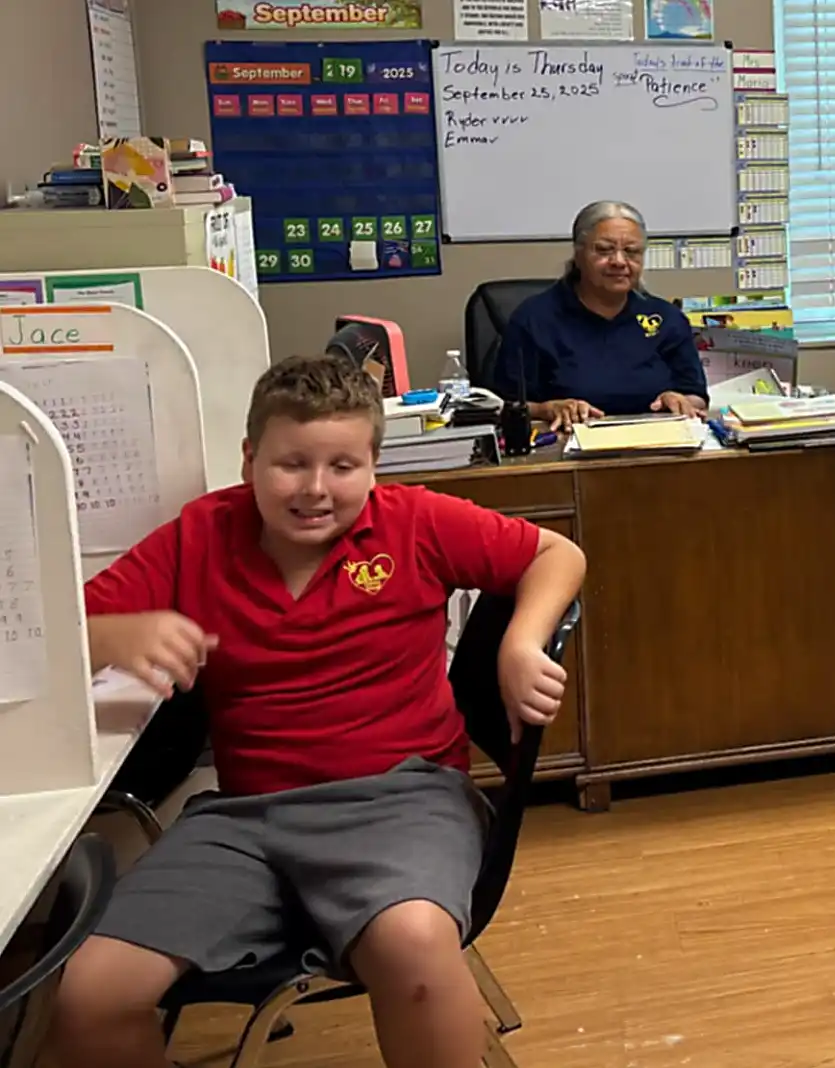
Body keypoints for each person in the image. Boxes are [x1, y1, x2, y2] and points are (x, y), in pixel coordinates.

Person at [49, 354, 587, 1068]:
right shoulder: (200, 535)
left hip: (403, 796)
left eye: (342, 466)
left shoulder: (414, 522)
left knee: (415, 946)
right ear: (249, 461)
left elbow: (556, 553)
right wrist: (113, 634)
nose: (314, 489)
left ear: (373, 466)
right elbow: (52, 635)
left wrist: (520, 642)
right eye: (290, 464)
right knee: (90, 993)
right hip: (249, 817)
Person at [493, 200, 709, 431]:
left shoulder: (666, 318)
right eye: (604, 250)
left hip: (656, 449)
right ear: (578, 254)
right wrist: (548, 409)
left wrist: (678, 400)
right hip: (563, 450)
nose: (619, 261)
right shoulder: (534, 319)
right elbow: (504, 405)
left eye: (631, 251)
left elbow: (696, 396)